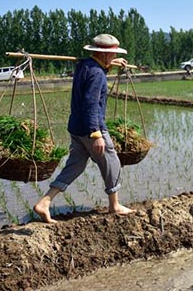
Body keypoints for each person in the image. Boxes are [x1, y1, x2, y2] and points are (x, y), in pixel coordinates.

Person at [34, 34, 136, 223]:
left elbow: (96, 69)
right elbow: (91, 103)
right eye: (112, 55)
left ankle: (44, 202)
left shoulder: (84, 65)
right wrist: (96, 134)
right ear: (104, 55)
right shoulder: (97, 73)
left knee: (76, 165)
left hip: (76, 127)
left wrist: (112, 63)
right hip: (92, 127)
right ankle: (115, 205)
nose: (113, 58)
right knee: (112, 162)